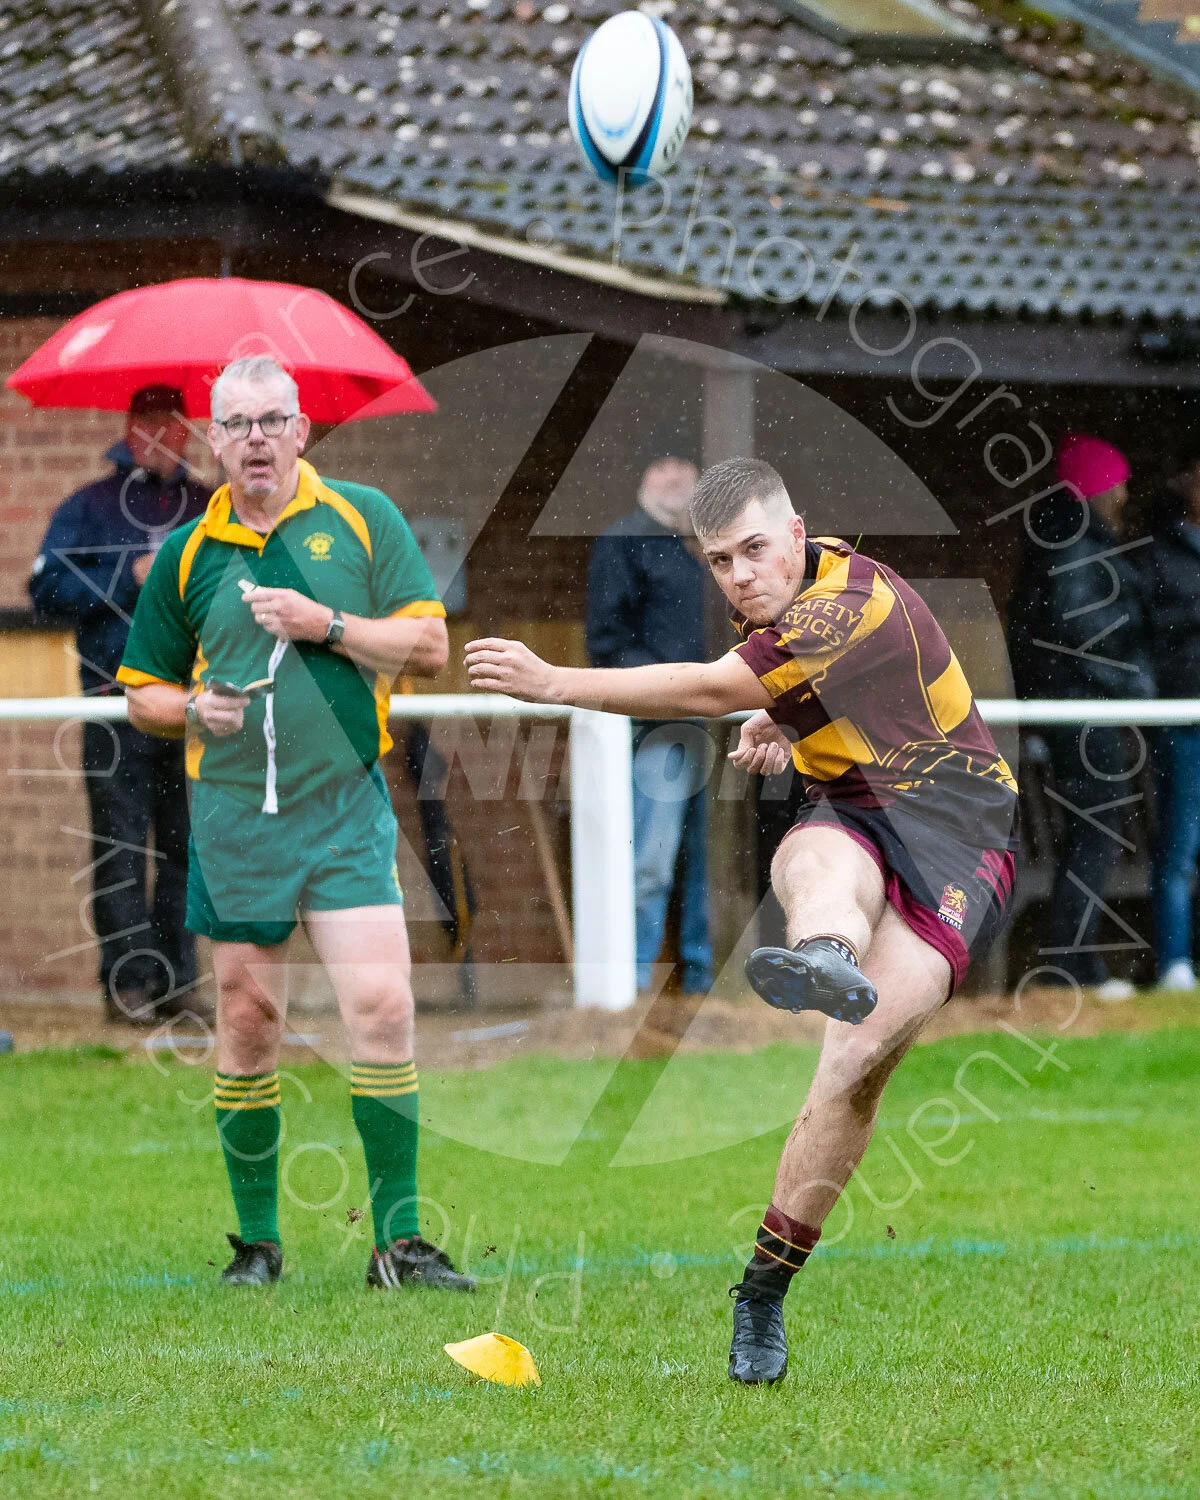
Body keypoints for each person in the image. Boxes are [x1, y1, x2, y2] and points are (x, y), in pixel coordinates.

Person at [465, 456, 1018, 1385]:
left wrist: (555, 681)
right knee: (809, 858)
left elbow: (712, 688)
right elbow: (808, 686)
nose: (740, 576)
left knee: (853, 1072)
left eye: (755, 551)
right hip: (857, 812)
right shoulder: (789, 600)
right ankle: (827, 954)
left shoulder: (847, 601)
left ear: (798, 534)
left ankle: (766, 1283)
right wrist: (788, 723)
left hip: (960, 842)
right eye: (720, 561)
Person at [116, 354, 474, 1292]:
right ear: (215, 442)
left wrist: (326, 623)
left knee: (384, 1007)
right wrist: (193, 708)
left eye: (272, 421)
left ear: (302, 431)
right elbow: (140, 694)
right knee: (248, 1017)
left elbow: (430, 645)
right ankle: (257, 1243)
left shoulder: (363, 517)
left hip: (346, 807)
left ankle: (397, 1244)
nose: (255, 440)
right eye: (234, 425)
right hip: (235, 817)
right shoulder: (191, 552)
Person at [29, 386, 209, 1025]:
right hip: (115, 705)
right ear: (130, 431)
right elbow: (45, 589)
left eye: (173, 426)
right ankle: (128, 987)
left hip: (194, 709)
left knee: (188, 850)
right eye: (148, 426)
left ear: (187, 433)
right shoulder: (89, 507)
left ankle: (178, 986)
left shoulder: (209, 509)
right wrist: (126, 578)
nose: (160, 437)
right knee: (121, 846)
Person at [1006, 434, 1154, 1000]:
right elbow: (1083, 635)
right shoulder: (1073, 543)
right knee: (1094, 831)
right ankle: (1074, 964)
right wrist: (1138, 687)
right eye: (1118, 484)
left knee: (1092, 831)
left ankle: (1073, 960)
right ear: (1098, 488)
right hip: (1082, 711)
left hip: (1075, 708)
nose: (1124, 496)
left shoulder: (1064, 536)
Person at [585, 447, 713, 995]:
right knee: (650, 863)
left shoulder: (699, 552)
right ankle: (631, 988)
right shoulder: (625, 541)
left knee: (695, 863)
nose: (672, 477)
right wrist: (669, 686)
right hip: (649, 731)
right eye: (659, 466)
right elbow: (606, 644)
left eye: (682, 466)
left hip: (697, 725)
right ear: (643, 479)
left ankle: (698, 984)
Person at [1141, 437, 1200, 990]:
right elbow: (1156, 631)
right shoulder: (1159, 555)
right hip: (1183, 719)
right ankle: (1175, 965)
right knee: (1179, 848)